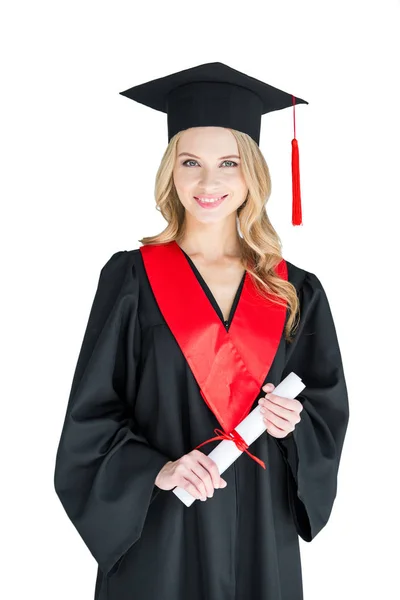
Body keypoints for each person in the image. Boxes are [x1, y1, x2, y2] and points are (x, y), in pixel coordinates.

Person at [53, 62, 349, 600]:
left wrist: (294, 428)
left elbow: (327, 417)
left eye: (229, 163)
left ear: (252, 174)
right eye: (190, 161)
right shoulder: (131, 279)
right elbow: (90, 416)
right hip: (161, 532)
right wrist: (156, 471)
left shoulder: (295, 291)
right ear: (170, 170)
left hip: (261, 531)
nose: (208, 182)